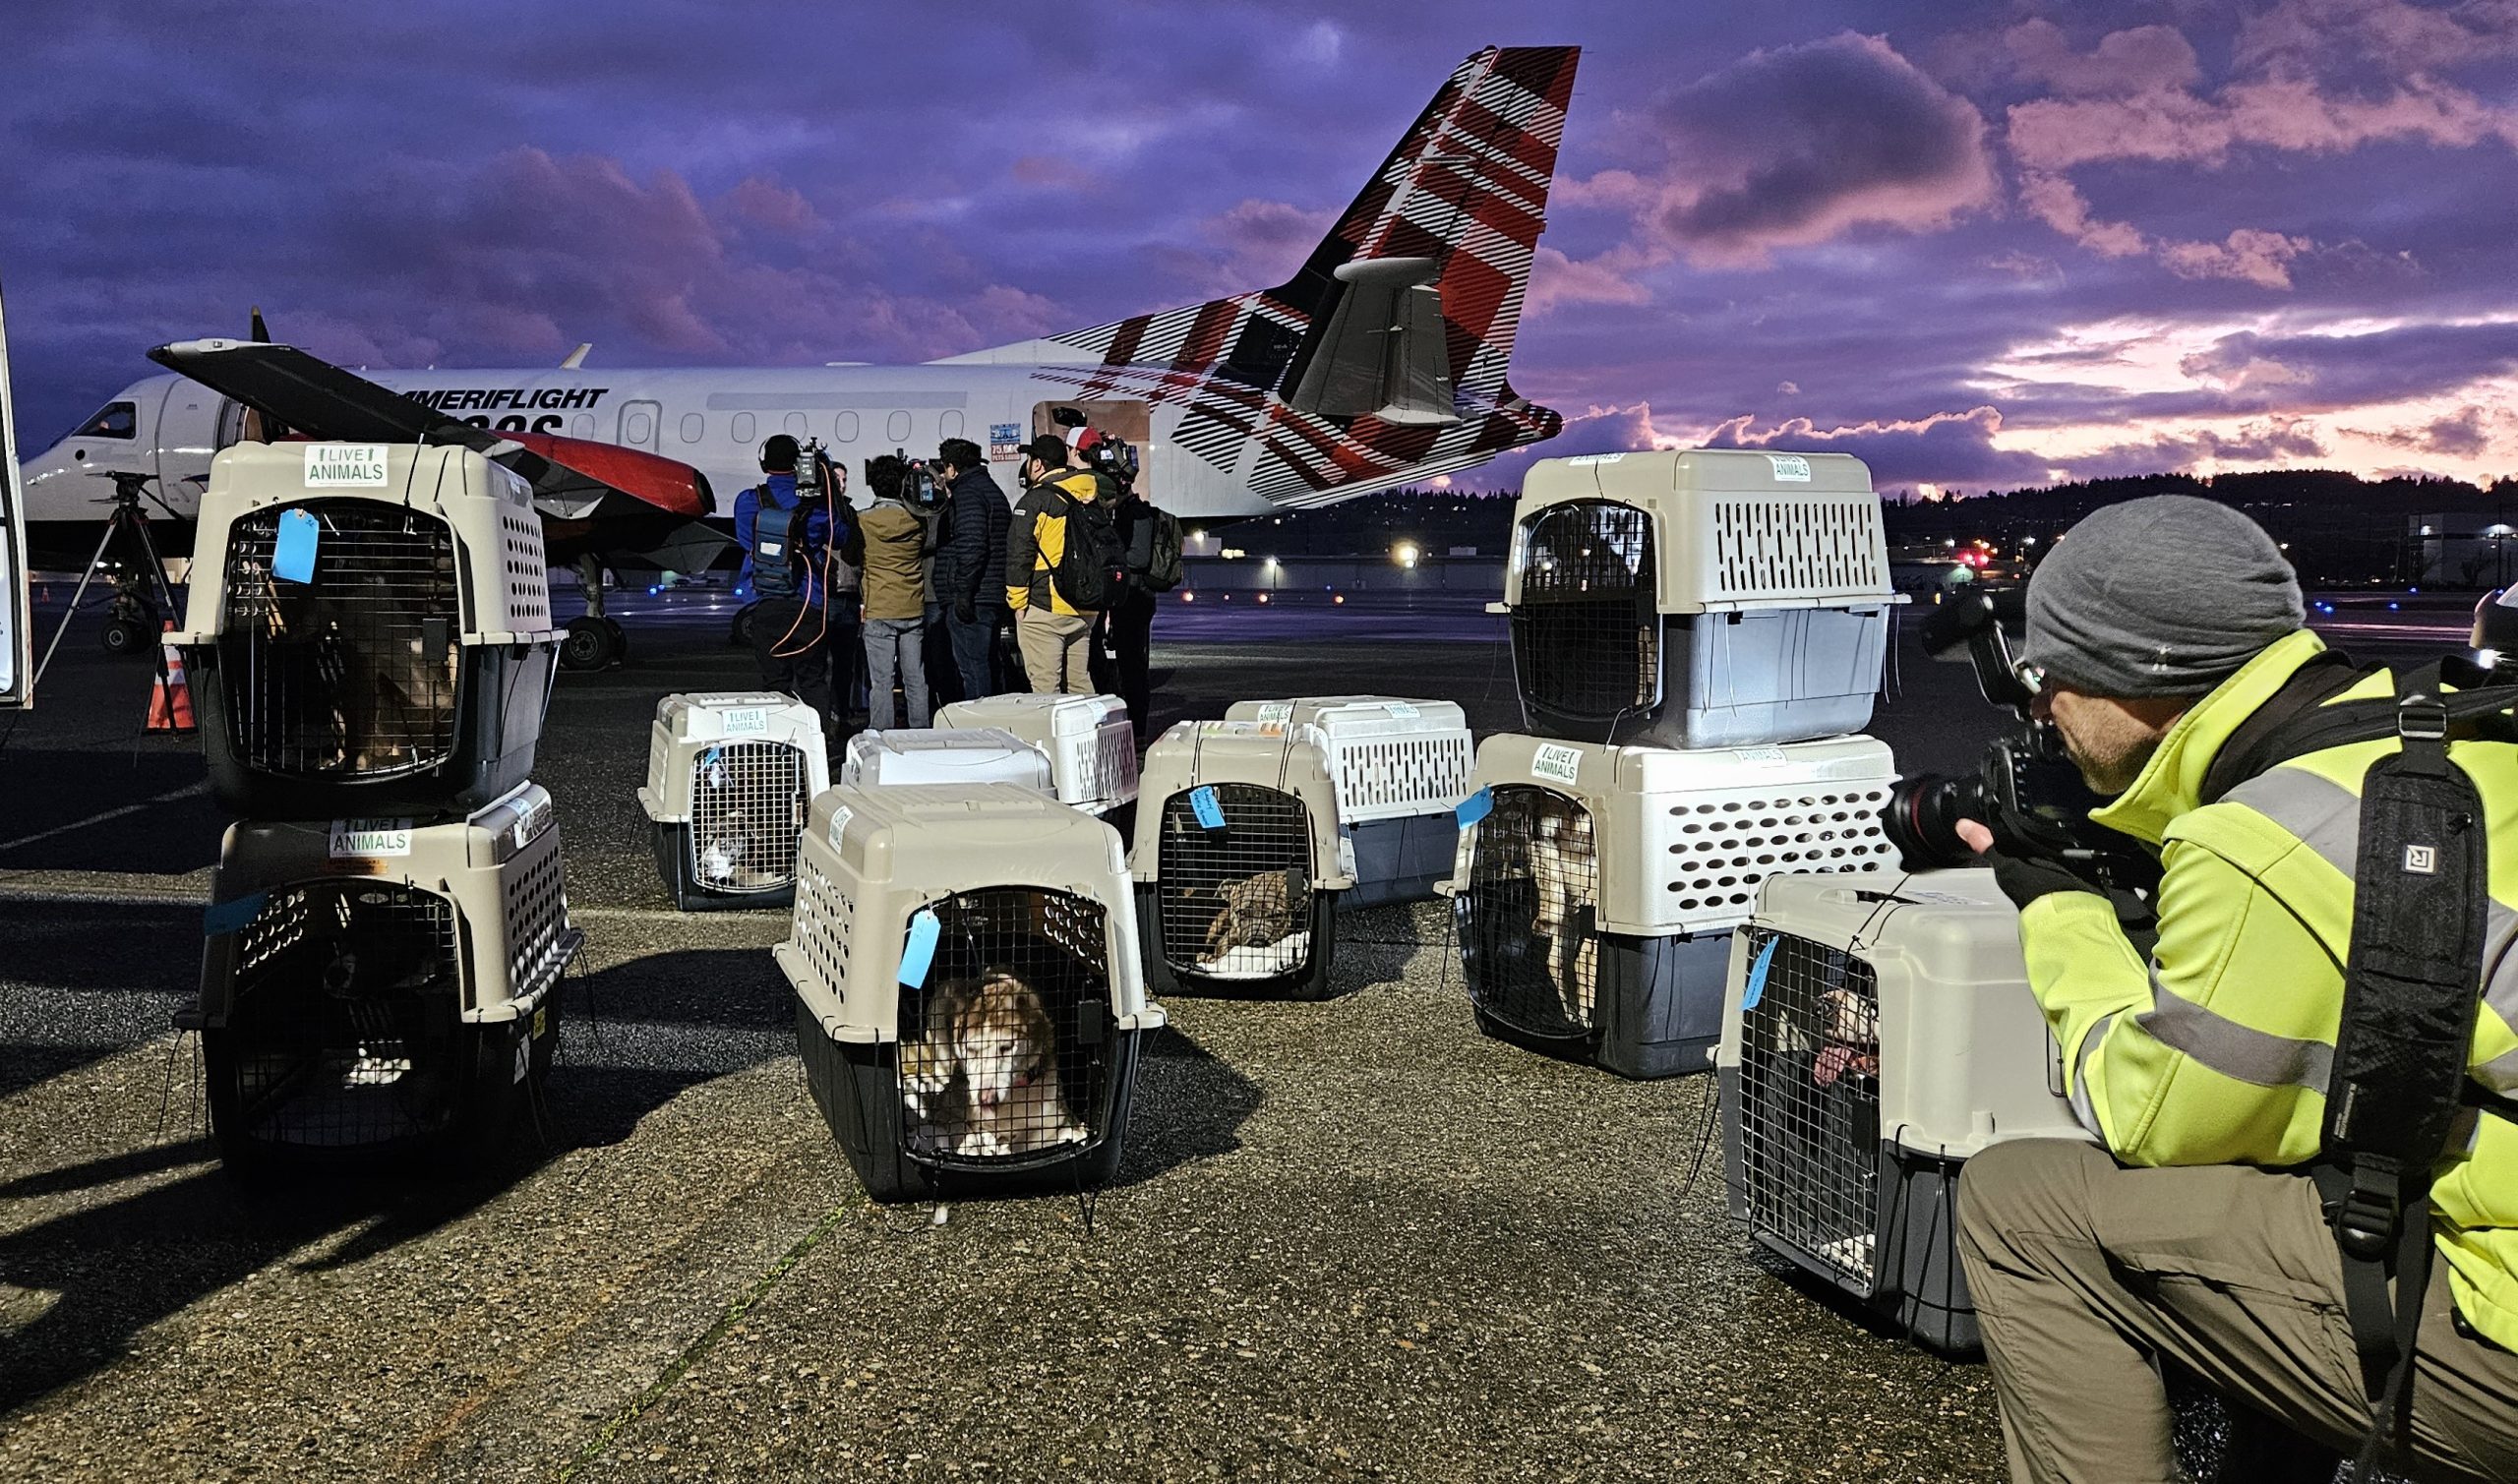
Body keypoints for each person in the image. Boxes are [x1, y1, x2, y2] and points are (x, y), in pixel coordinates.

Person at [1948, 496, 2518, 1483]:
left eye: (2046, 676)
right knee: (2301, 1172)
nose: (2038, 709)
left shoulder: (2256, 839)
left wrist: (2056, 899)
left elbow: (2154, 1117)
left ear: (2141, 674)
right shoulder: (2451, 732)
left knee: (2019, 1206)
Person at [729, 435, 834, 724]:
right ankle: (820, 748)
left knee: (775, 683)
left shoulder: (749, 500)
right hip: (808, 601)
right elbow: (840, 533)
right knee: (813, 681)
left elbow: (745, 540)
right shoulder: (816, 505)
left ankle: (780, 750)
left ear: (764, 463)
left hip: (766, 599)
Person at [1004, 435, 1107, 695]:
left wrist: (1017, 603)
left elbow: (1019, 554)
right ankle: (1093, 734)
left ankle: (1051, 737)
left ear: (1038, 464)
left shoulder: (1035, 500)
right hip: (1085, 605)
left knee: (1045, 690)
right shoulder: (1092, 494)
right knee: (1079, 686)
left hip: (1046, 606)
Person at [932, 438, 1012, 701]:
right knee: (988, 663)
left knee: (973, 667)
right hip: (991, 592)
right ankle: (993, 719)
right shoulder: (990, 489)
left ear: (952, 468)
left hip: (974, 596)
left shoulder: (967, 495)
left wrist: (963, 594)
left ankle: (981, 726)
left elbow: (972, 545)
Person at [857, 453, 931, 730]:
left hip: (879, 607)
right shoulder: (918, 521)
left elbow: (853, 557)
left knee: (882, 683)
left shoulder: (863, 521)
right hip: (912, 606)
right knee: (916, 681)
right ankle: (921, 734)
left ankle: (881, 736)